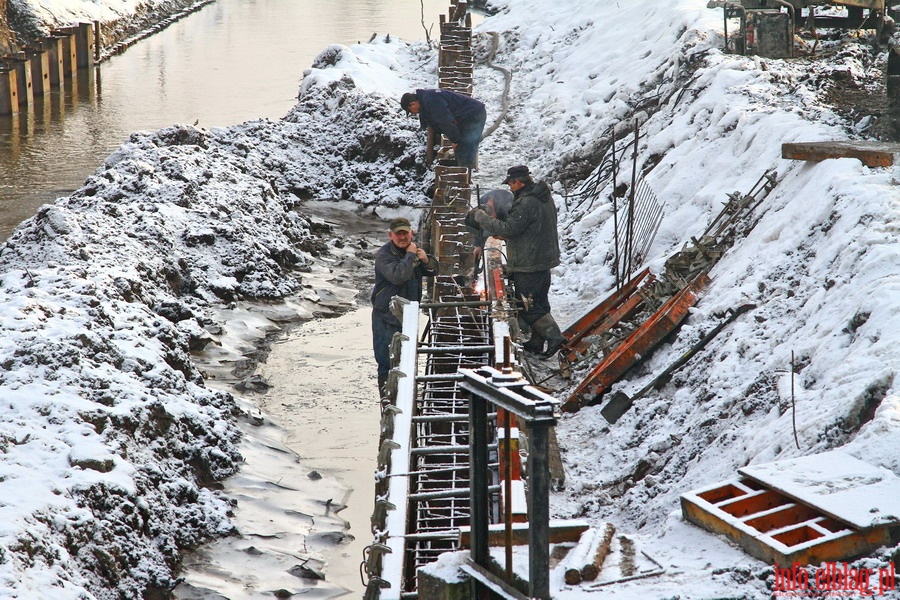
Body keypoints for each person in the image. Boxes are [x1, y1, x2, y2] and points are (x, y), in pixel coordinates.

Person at [466, 165, 566, 358]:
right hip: (542, 257)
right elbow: (527, 228)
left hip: (529, 261)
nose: (510, 189)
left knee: (526, 303)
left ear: (518, 182)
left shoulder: (526, 203)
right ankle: (537, 341)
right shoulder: (542, 198)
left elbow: (509, 229)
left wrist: (482, 218)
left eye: (511, 184)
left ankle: (554, 337)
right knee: (539, 300)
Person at [371, 217, 439, 397]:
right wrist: (411, 255)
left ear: (412, 233)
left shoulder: (412, 252)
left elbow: (434, 270)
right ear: (390, 235)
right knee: (386, 362)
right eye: (398, 234)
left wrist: (426, 261)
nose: (403, 237)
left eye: (405, 233)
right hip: (385, 316)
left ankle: (406, 395)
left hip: (408, 316)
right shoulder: (384, 255)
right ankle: (387, 399)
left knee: (407, 360)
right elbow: (399, 275)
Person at [400, 89, 487, 168]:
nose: (413, 113)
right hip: (464, 116)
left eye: (410, 110)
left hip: (473, 115)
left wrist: (455, 140)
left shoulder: (431, 101)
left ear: (413, 103)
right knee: (462, 148)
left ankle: (462, 179)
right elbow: (430, 120)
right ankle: (461, 173)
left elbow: (445, 120)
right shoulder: (425, 101)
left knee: (464, 148)